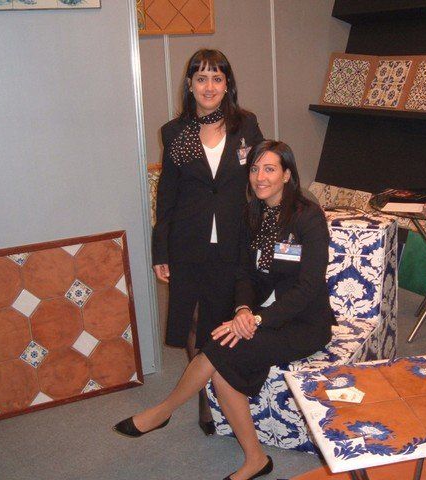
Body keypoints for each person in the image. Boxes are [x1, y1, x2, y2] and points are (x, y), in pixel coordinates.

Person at [114, 140, 336, 480]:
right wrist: (243, 308)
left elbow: (308, 287)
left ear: (287, 175)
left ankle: (163, 411)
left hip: (303, 322)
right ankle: (255, 458)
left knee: (220, 349)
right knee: (222, 358)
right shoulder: (252, 214)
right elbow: (243, 273)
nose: (260, 177)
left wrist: (257, 319)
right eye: (255, 169)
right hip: (260, 314)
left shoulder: (308, 217)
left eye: (270, 169)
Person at [152, 49, 264, 435]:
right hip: (188, 240)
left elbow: (261, 177)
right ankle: (203, 396)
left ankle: (220, 388)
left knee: (222, 315)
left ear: (227, 84)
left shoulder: (246, 125)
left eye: (217, 78)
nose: (209, 86)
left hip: (235, 238)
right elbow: (167, 196)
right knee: (193, 318)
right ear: (190, 85)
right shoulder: (175, 131)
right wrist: (161, 250)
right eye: (201, 78)